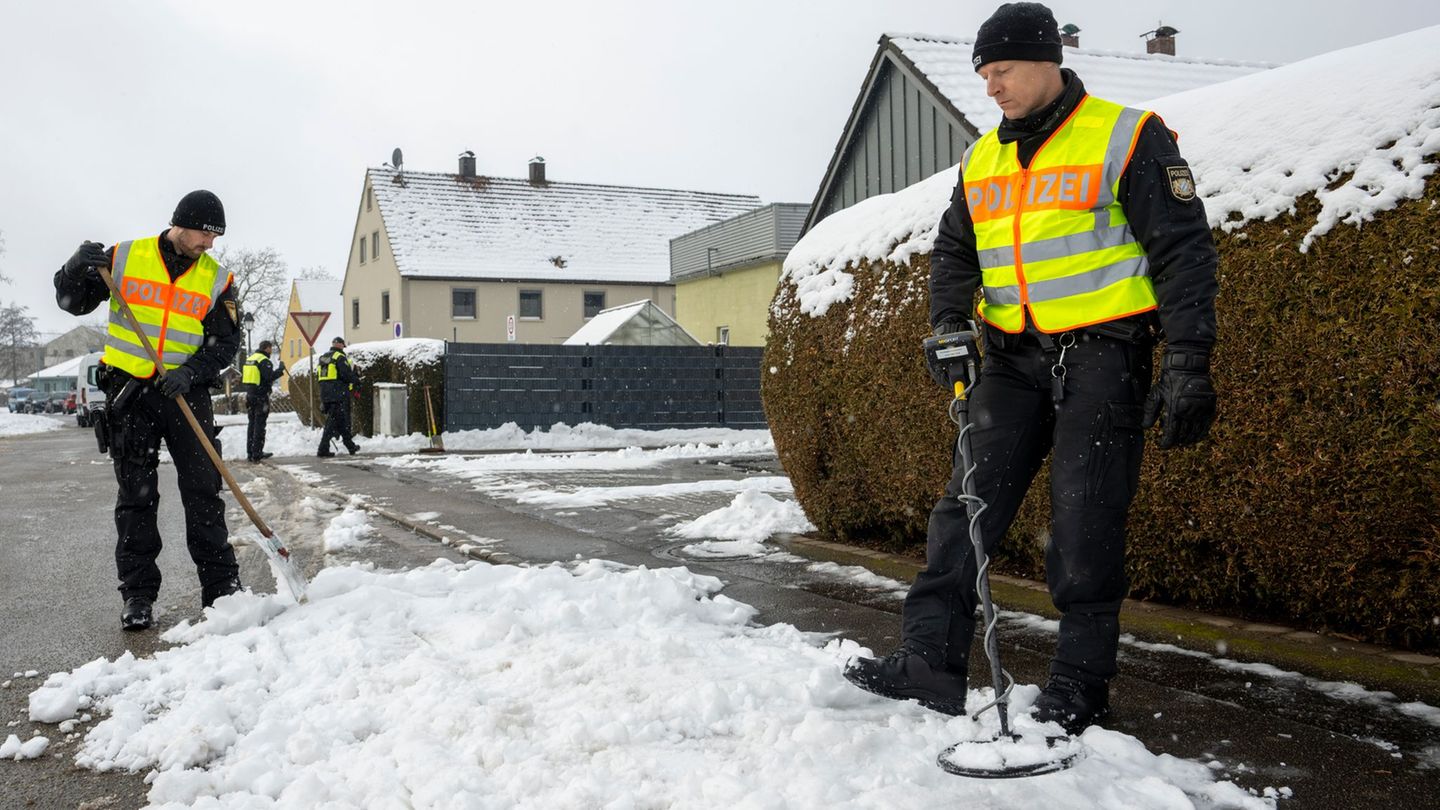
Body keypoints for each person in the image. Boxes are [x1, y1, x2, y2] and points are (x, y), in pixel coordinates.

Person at [844, 2, 1218, 732]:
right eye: (984, 74)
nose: (992, 87)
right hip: (1011, 360)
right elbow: (955, 251)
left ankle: (1079, 685)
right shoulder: (982, 157)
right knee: (965, 510)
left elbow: (1184, 252)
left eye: (1003, 70)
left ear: (1046, 60)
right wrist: (949, 324)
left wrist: (1188, 362)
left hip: (1103, 357)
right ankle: (929, 664)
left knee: (1084, 524)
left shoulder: (1127, 136)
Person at [54, 189, 246, 631]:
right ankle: (138, 595)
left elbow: (227, 344)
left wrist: (192, 372)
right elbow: (73, 302)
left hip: (184, 393)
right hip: (130, 394)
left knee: (203, 490)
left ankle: (220, 588)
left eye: (215, 238)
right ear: (180, 224)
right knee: (137, 498)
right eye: (204, 234)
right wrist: (73, 267)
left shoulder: (217, 279)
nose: (209, 245)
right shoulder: (123, 257)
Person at [316, 336, 360, 457]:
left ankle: (350, 446)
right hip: (337, 393)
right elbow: (346, 375)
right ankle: (322, 449)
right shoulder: (339, 357)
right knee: (332, 422)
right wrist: (356, 380)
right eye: (343, 345)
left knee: (341, 421)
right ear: (340, 345)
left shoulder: (324, 357)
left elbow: (319, 375)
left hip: (326, 393)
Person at [242, 340, 286, 462]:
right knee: (260, 425)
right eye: (271, 348)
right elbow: (269, 377)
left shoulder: (250, 359)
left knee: (252, 424)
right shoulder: (264, 361)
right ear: (267, 348)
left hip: (250, 395)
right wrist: (280, 370)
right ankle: (257, 453)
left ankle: (250, 452)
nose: (271, 351)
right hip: (261, 397)